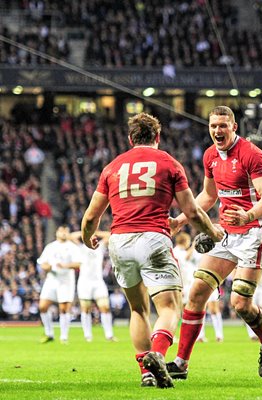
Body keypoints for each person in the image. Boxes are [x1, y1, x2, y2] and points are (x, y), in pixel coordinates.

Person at [81, 112, 223, 388]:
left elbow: (90, 217)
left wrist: (88, 238)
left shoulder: (112, 167)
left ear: (130, 138)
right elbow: (192, 211)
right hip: (153, 238)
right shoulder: (169, 163)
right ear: (157, 137)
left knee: (138, 309)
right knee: (169, 306)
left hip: (119, 241)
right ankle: (157, 354)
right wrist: (211, 231)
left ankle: (145, 373)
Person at [167, 106, 262, 380]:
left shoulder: (252, 154)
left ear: (234, 127)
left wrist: (248, 215)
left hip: (255, 232)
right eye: (213, 126)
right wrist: (180, 220)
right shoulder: (210, 156)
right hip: (226, 234)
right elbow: (208, 195)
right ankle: (181, 363)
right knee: (196, 294)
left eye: (223, 126)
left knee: (240, 304)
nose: (217, 131)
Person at [172, 232, 223, 343]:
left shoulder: (182, 252)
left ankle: (213, 335)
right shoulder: (181, 252)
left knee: (203, 309)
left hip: (200, 282)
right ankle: (188, 335)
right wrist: (195, 243)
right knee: (188, 310)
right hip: (188, 284)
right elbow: (186, 258)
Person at [37, 225, 82, 344]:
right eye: (61, 231)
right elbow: (42, 263)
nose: (63, 233)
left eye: (66, 231)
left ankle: (64, 336)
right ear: (57, 232)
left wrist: (65, 265)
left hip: (66, 280)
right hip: (51, 279)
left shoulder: (72, 247)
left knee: (64, 308)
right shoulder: (50, 247)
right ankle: (49, 333)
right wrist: (49, 267)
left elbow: (78, 264)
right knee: (42, 306)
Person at [69, 230, 116, 342]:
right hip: (84, 282)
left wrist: (96, 232)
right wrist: (85, 232)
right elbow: (71, 236)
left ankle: (109, 335)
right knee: (85, 309)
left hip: (98, 282)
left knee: (105, 308)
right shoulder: (81, 247)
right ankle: (88, 335)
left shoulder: (100, 248)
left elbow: (110, 235)